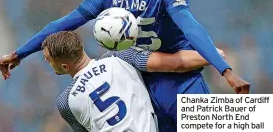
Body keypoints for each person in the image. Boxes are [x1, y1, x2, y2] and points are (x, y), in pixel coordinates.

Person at [0, 0, 250, 131]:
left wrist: (20, 53)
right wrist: (226, 71)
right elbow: (192, 29)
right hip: (182, 85)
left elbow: (61, 25)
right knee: (251, 123)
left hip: (145, 93)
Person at [41, 31, 216, 132]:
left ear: (65, 66)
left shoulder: (65, 102)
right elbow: (176, 63)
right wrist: (214, 56)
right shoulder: (120, 56)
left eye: (48, 59)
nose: (48, 63)